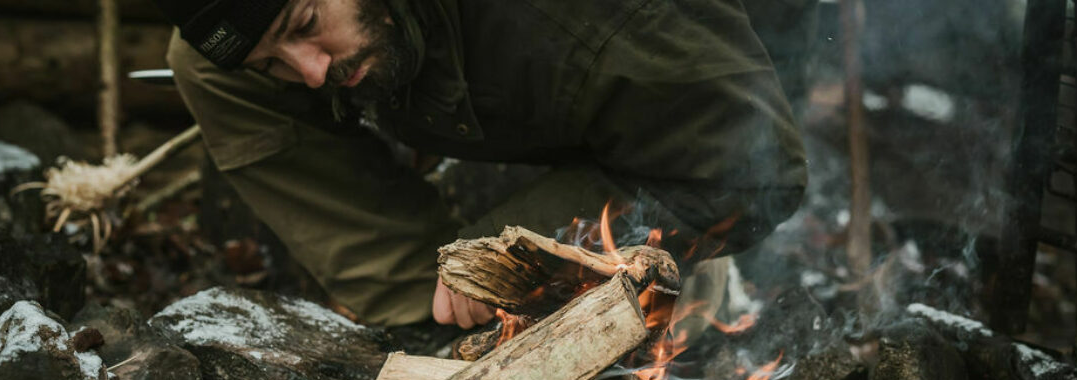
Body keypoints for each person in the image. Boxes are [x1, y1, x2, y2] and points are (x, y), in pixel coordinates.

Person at [156, 0, 808, 328]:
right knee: (209, 68)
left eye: (305, 23)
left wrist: (507, 251)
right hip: (514, 74)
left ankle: (627, 290)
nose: (310, 72)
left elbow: (760, 172)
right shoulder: (311, 48)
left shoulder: (593, 18)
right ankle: (431, 311)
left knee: (712, 172)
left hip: (672, 104)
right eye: (273, 59)